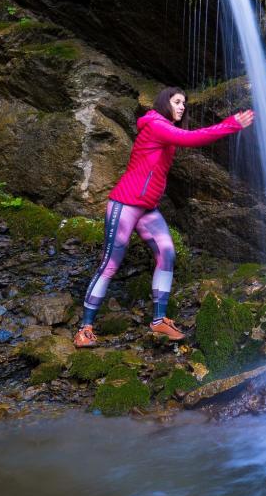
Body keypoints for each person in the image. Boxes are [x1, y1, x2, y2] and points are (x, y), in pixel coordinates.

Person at [74, 87, 254, 347]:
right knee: (110, 264)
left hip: (147, 207)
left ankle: (159, 321)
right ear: (163, 102)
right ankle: (84, 328)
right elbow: (192, 139)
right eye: (177, 101)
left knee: (167, 252)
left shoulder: (164, 129)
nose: (182, 107)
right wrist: (230, 124)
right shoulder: (156, 125)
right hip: (125, 203)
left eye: (184, 103)